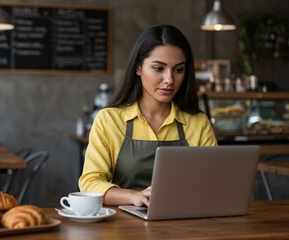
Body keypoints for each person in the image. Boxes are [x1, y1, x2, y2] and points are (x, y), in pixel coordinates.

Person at [78, 25, 217, 207]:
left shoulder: (198, 123)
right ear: (138, 68)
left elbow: (214, 182)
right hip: (122, 228)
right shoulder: (109, 119)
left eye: (178, 70)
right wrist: (133, 197)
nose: (169, 80)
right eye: (159, 68)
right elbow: (89, 184)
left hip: (183, 223)